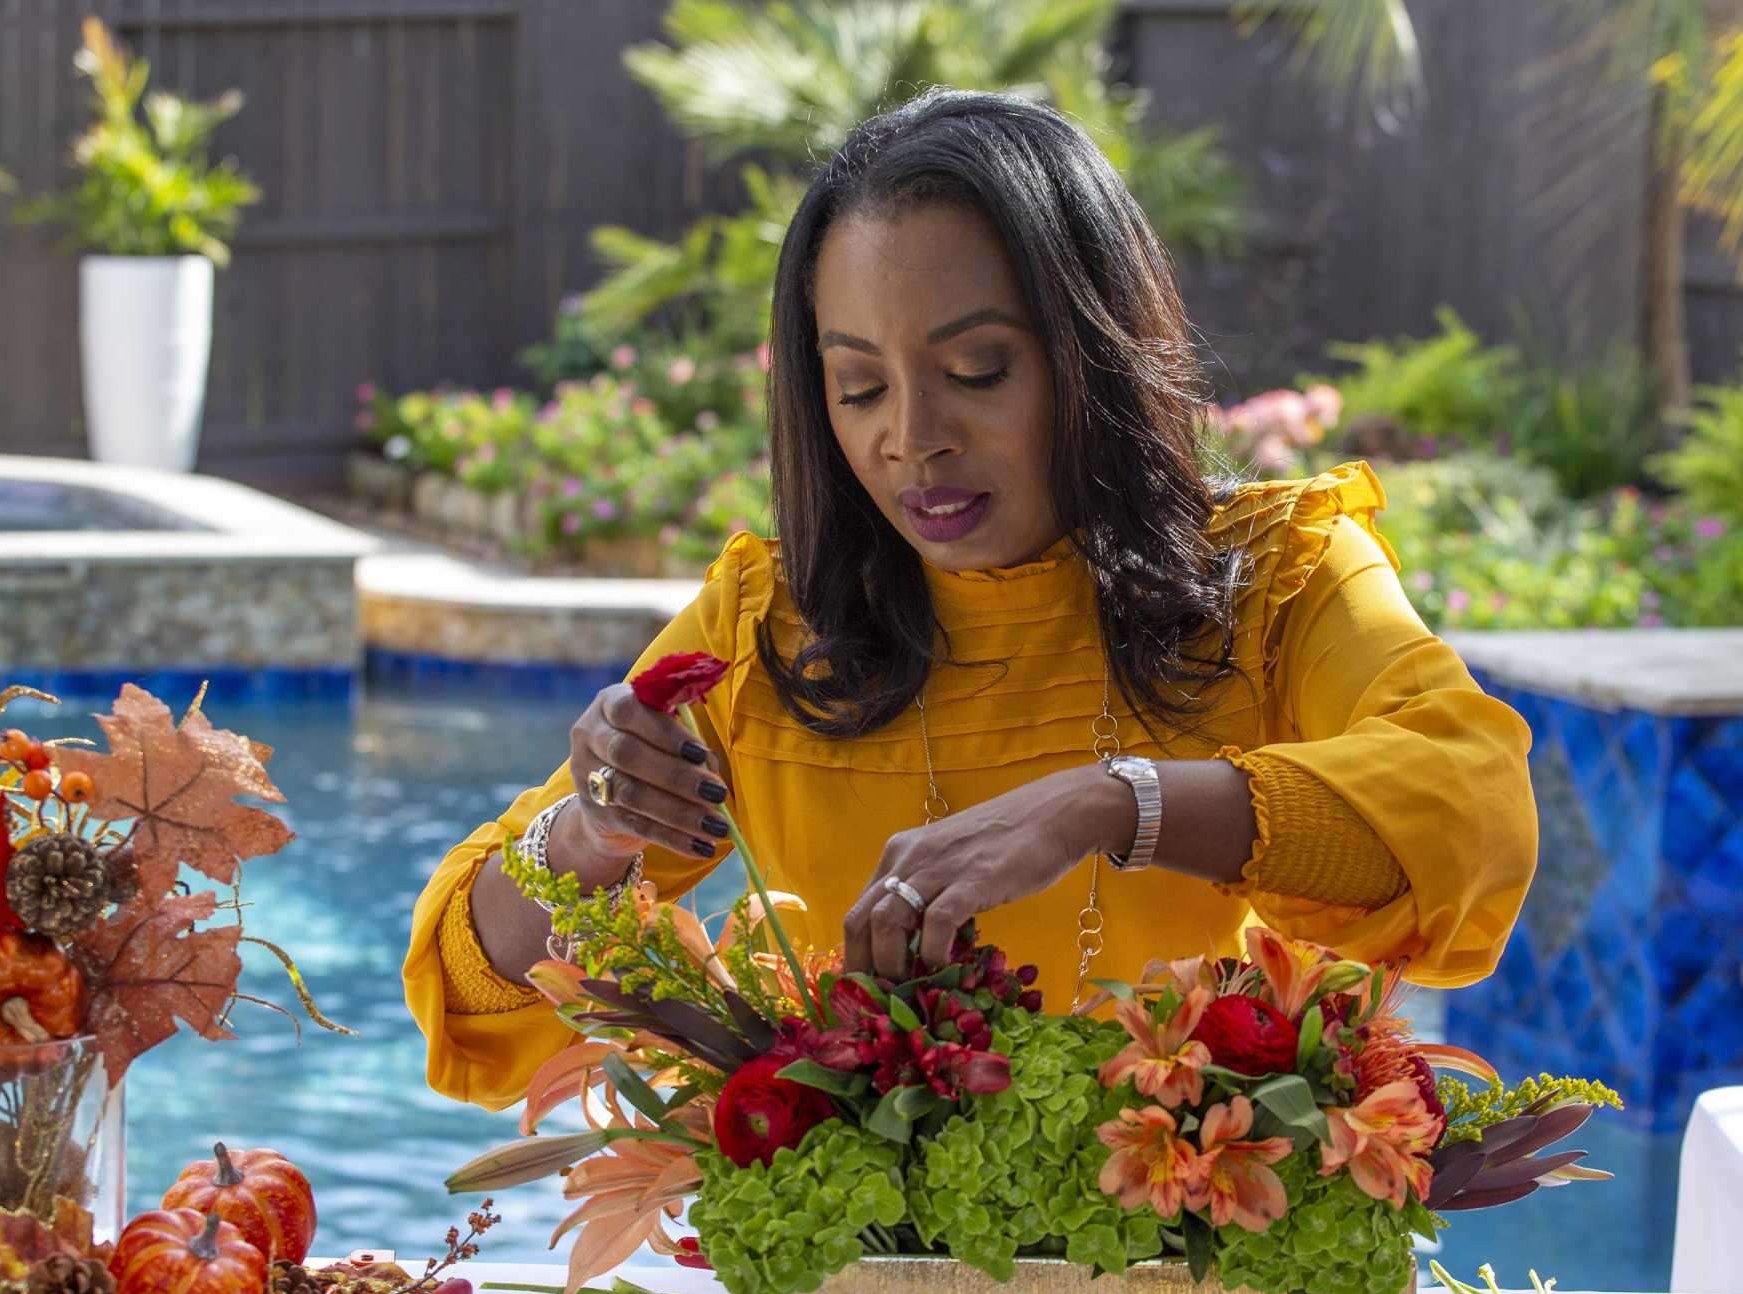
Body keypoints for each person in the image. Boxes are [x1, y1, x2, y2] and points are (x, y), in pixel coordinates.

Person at [404, 89, 1537, 1110]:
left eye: (977, 371)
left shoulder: (1276, 575)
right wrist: (589, 834)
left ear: (1094, 351)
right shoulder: (772, 627)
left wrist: (1110, 804)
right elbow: (476, 988)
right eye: (857, 387)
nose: (912, 440)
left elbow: (1472, 808)